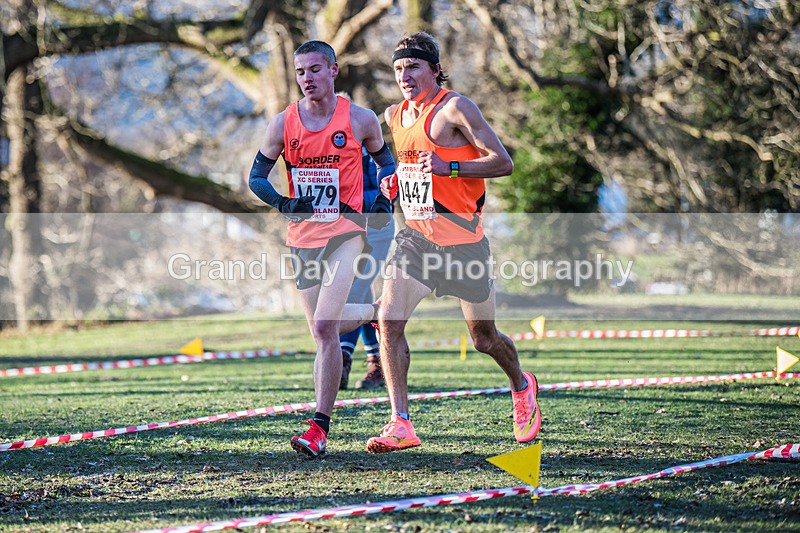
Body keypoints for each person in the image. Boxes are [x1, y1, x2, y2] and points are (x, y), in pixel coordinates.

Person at [366, 32, 541, 453]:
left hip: (464, 244)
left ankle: (521, 385)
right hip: (418, 239)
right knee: (388, 320)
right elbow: (411, 171)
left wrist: (450, 166)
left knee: (484, 339)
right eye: (397, 69)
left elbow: (503, 162)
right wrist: (394, 182)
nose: (404, 76)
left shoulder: (456, 107)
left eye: (412, 67)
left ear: (434, 68)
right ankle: (401, 422)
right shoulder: (394, 115)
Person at [248, 40, 395, 458]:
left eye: (315, 69)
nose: (307, 78)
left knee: (325, 325)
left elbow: (387, 164)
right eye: (300, 71)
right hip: (302, 239)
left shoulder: (362, 119)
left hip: (347, 231)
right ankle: (376, 312)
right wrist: (282, 202)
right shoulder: (283, 124)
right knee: (321, 330)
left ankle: (318, 427)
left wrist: (385, 198)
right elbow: (256, 177)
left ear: (333, 71)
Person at [339, 147, 395, 390]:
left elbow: (385, 188)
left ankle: (343, 356)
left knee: (354, 292)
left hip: (375, 227)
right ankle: (378, 362)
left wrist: (351, 200)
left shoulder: (370, 149)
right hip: (343, 229)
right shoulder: (327, 148)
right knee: (363, 294)